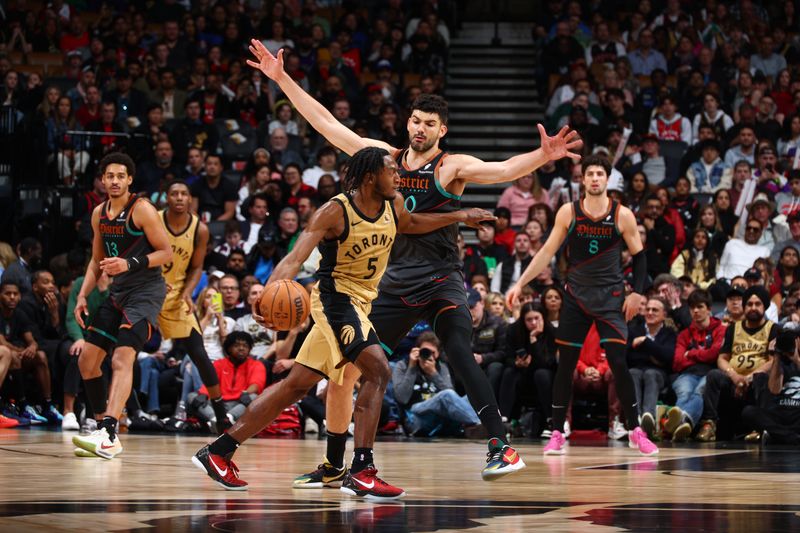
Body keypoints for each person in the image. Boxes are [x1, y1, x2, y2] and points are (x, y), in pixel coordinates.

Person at [246, 40, 581, 480]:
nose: (420, 128)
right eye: (416, 120)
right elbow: (328, 124)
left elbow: (503, 170)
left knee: (460, 350)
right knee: (345, 370)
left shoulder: (451, 166)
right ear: (408, 122)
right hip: (394, 282)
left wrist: (543, 155)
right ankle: (333, 464)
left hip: (442, 277)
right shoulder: (384, 161)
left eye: (430, 124)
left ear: (443, 130)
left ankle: (501, 446)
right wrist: (282, 79)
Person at [192, 146, 495, 496]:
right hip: (336, 300)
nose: (399, 176)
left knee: (296, 385)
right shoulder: (335, 210)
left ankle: (218, 452)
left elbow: (411, 223)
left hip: (364, 301)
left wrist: (457, 216)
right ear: (370, 177)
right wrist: (268, 289)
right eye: (391, 170)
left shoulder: (394, 203)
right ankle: (362, 469)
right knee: (378, 369)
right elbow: (296, 256)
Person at [506, 154, 658, 456]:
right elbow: (547, 251)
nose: (595, 178)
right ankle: (558, 430)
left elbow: (640, 258)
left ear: (608, 178)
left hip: (611, 297)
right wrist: (520, 283)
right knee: (565, 365)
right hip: (576, 296)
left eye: (600, 173)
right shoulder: (568, 212)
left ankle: (635, 429)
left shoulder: (622, 214)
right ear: (582, 179)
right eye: (590, 173)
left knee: (617, 363)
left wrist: (637, 293)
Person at [71, 152, 172, 459]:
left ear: (129, 180)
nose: (114, 181)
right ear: (102, 180)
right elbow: (96, 260)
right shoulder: (99, 213)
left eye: (120, 176)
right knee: (87, 361)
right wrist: (82, 295)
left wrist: (129, 263)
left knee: (121, 359)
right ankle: (102, 426)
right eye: (109, 176)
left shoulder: (141, 209)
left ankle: (111, 431)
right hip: (118, 293)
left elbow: (166, 252)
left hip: (146, 292)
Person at [158, 180, 230, 433]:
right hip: (149, 294)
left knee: (199, 353)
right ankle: (117, 413)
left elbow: (197, 266)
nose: (179, 197)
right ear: (166, 197)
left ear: (190, 200)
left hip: (178, 297)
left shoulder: (200, 229)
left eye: (183, 194)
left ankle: (221, 416)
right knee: (127, 350)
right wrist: (153, 282)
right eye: (174, 193)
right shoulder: (154, 220)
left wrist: (188, 293)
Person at [696, 286, 776, 442]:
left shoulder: (773, 328)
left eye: (757, 304)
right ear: (744, 307)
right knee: (713, 376)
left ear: (764, 306)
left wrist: (749, 377)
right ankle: (709, 424)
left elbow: (773, 361)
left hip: (756, 382)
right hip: (735, 379)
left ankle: (759, 427)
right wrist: (734, 375)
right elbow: (722, 358)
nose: (753, 308)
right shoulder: (733, 328)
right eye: (749, 304)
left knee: (763, 378)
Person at [667, 289, 726, 442]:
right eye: (692, 308)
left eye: (700, 307)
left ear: (709, 309)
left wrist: (691, 353)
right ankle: (682, 425)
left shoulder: (720, 330)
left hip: (710, 372)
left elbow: (714, 355)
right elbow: (677, 362)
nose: (695, 311)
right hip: (687, 373)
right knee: (685, 392)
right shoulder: (684, 334)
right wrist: (702, 356)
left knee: (700, 391)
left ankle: (679, 423)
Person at [626, 296, 676, 439]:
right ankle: (635, 419)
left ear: (664, 315)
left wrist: (645, 342)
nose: (650, 312)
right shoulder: (634, 329)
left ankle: (649, 418)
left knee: (650, 374)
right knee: (633, 373)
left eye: (655, 310)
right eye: (647, 309)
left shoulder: (669, 333)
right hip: (637, 369)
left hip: (658, 374)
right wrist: (654, 356)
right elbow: (627, 356)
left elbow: (668, 358)